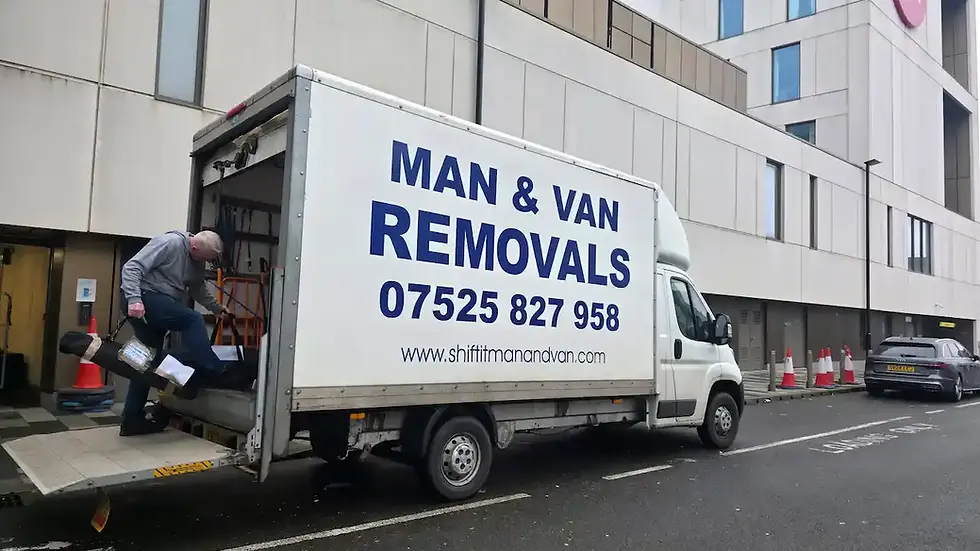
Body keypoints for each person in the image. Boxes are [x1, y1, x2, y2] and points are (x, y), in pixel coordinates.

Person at [117, 229, 233, 436]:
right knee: (192, 319)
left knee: (147, 361)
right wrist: (134, 298)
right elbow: (132, 267)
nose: (204, 263)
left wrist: (216, 308)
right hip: (145, 296)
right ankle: (213, 369)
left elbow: (197, 287)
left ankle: (131, 420)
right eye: (204, 258)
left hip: (160, 302)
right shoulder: (170, 243)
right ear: (194, 246)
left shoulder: (196, 257)